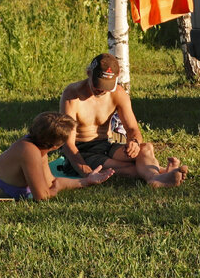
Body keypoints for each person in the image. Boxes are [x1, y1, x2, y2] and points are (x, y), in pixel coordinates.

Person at [59, 53, 187, 188]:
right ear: (88, 73)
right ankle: (160, 175)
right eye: (98, 85)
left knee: (145, 149)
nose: (102, 90)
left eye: (106, 86)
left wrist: (134, 142)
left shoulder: (118, 94)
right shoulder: (72, 95)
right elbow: (68, 145)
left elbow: (133, 129)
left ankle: (158, 177)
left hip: (106, 145)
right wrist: (88, 174)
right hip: (83, 151)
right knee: (128, 167)